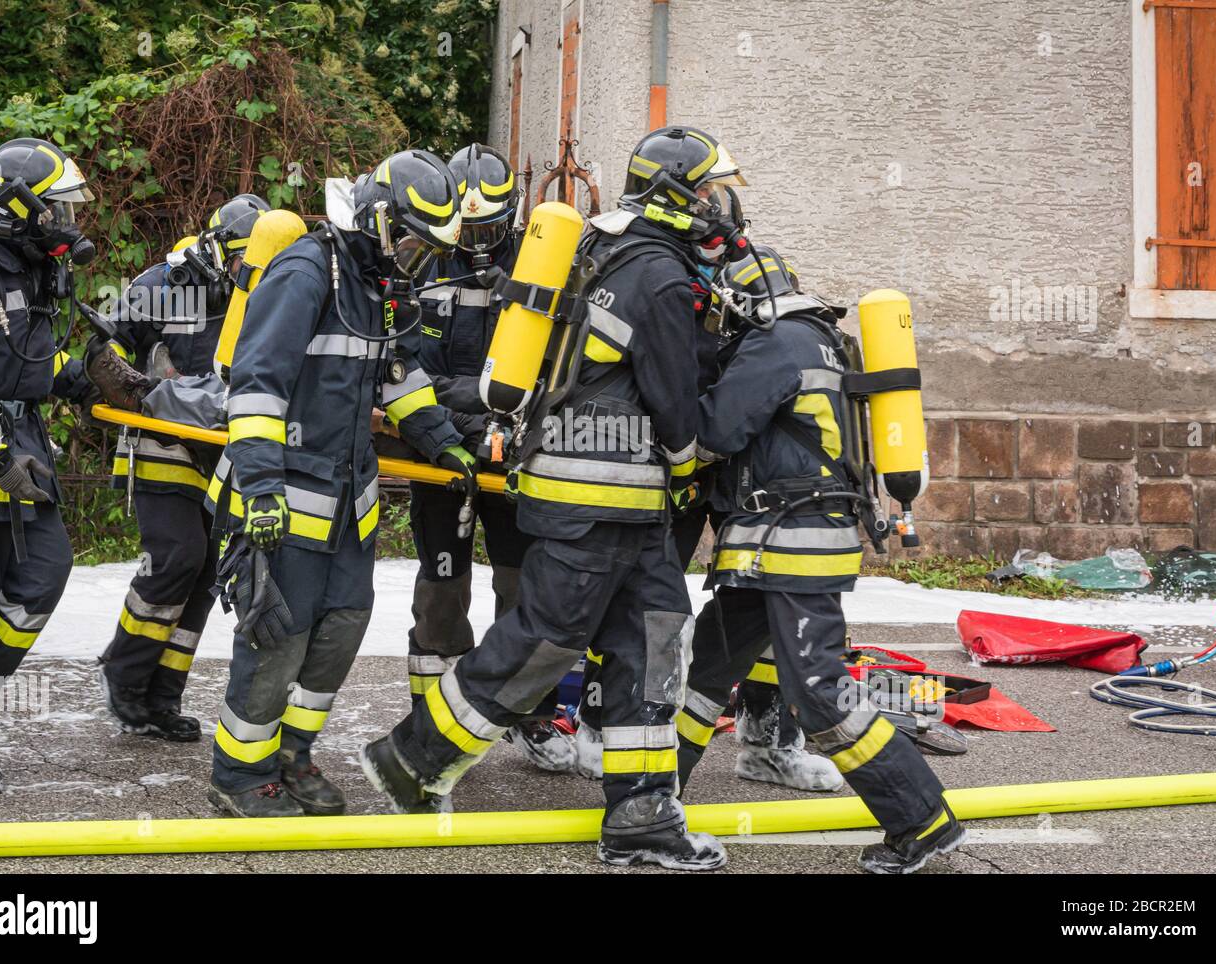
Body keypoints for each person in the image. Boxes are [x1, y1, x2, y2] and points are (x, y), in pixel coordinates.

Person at [362, 126, 747, 871]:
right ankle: (411, 758)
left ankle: (640, 813)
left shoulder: (610, 249)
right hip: (597, 494)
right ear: (674, 197)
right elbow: (673, 404)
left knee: (653, 639)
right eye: (704, 191)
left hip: (625, 506)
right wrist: (694, 458)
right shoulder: (659, 277)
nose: (717, 206)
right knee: (541, 639)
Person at [674, 245, 965, 874]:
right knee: (712, 660)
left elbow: (718, 431)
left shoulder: (773, 343)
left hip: (793, 543)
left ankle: (922, 820)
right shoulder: (821, 339)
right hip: (772, 544)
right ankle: (655, 796)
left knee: (819, 690)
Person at [204, 150, 472, 818]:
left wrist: (442, 439)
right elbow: (255, 381)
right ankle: (238, 775)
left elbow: (397, 372)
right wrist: (262, 488)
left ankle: (292, 756)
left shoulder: (375, 285)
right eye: (411, 239)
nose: (415, 256)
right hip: (286, 499)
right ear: (380, 221)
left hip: (349, 506)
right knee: (277, 641)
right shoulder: (304, 269)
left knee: (340, 632)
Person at [574, 255, 843, 794]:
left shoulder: (760, 313)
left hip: (738, 477)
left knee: (773, 602)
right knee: (647, 607)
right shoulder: (663, 282)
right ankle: (606, 726)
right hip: (670, 468)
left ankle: (770, 741)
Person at [408, 143, 573, 771]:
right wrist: (465, 412)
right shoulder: (423, 265)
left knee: (521, 588)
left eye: (488, 226)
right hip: (441, 455)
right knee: (442, 594)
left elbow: (555, 369)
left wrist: (488, 406)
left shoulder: (540, 264)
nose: (476, 239)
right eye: (466, 225)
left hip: (516, 456)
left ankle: (528, 715)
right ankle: (434, 717)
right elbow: (407, 372)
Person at [0, 138, 99, 795]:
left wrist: (87, 375)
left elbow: (24, 366)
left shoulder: (27, 270)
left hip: (22, 456)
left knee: (44, 574)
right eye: (58, 209)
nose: (67, 223)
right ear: (20, 206)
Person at [96, 195, 270, 742]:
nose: (250, 275)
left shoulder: (266, 291)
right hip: (164, 435)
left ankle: (162, 697)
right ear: (219, 251)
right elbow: (102, 351)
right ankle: (123, 675)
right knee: (177, 556)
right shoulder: (164, 285)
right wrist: (131, 385)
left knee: (203, 574)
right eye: (243, 262)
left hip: (223, 447)